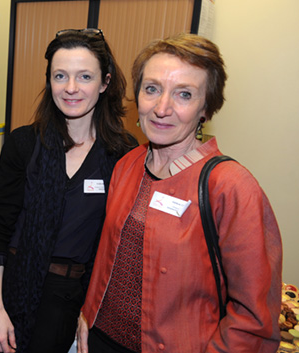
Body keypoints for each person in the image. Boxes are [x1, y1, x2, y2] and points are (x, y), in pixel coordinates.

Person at [76, 33, 282, 353]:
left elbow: (253, 319)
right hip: (99, 340)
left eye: (184, 94)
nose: (162, 108)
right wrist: (87, 313)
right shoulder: (128, 164)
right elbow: (106, 257)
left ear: (206, 109)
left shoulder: (231, 187)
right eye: (152, 89)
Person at [0, 29, 136, 353]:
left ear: (105, 82)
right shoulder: (25, 143)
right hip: (5, 286)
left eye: (84, 76)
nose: (71, 88)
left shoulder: (122, 153)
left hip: (65, 300)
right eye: (60, 76)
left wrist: (91, 310)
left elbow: (113, 245)